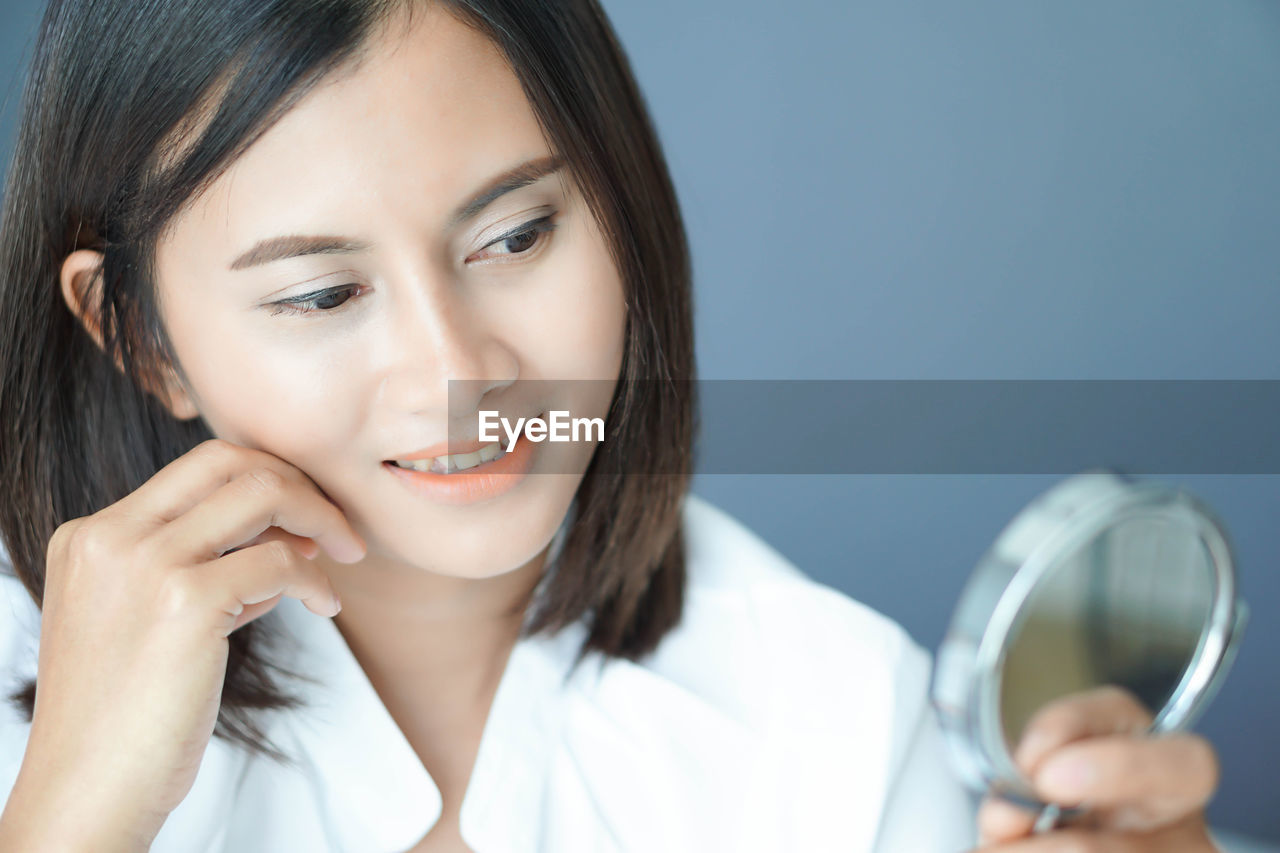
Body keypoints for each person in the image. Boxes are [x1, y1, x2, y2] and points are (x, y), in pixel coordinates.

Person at [0, 1, 1222, 851]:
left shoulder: (839, 715)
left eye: (517, 235)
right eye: (322, 294)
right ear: (138, 339)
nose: (455, 373)